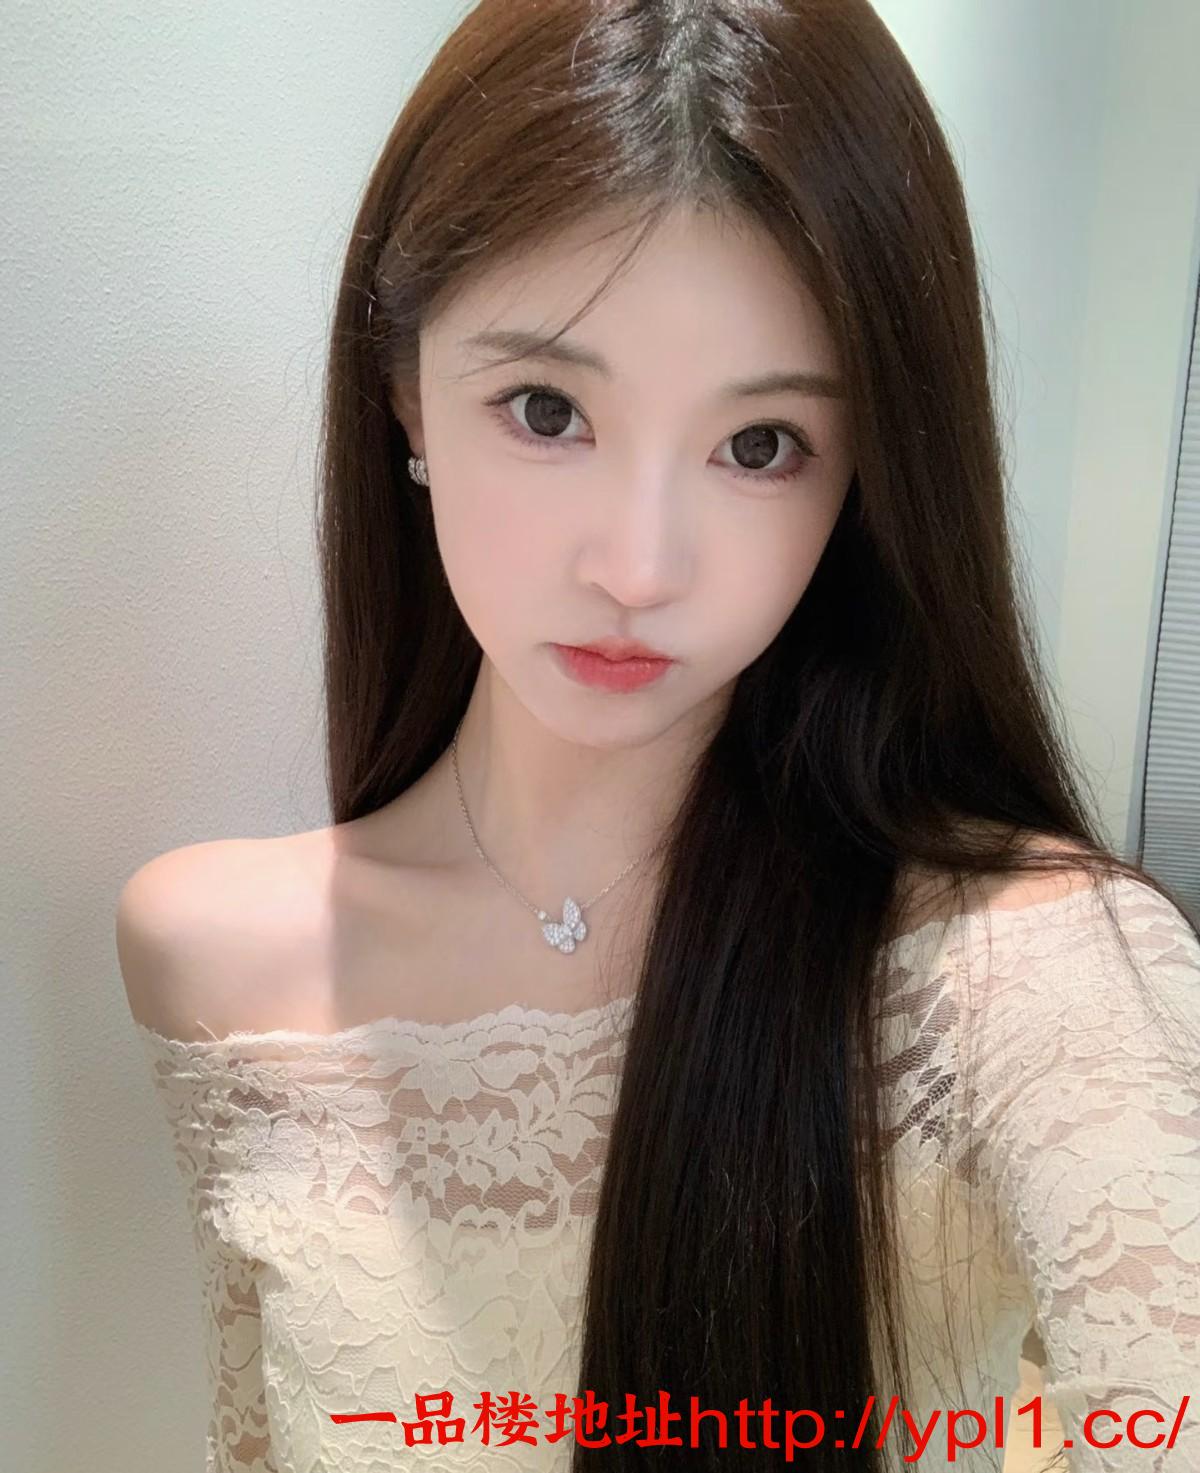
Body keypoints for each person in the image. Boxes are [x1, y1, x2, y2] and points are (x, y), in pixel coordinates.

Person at [115, 0, 1200, 1468]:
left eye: (761, 445)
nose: (638, 565)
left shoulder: (1018, 977)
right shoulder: (220, 967)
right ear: (405, 392)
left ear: (868, 472)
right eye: (545, 407)